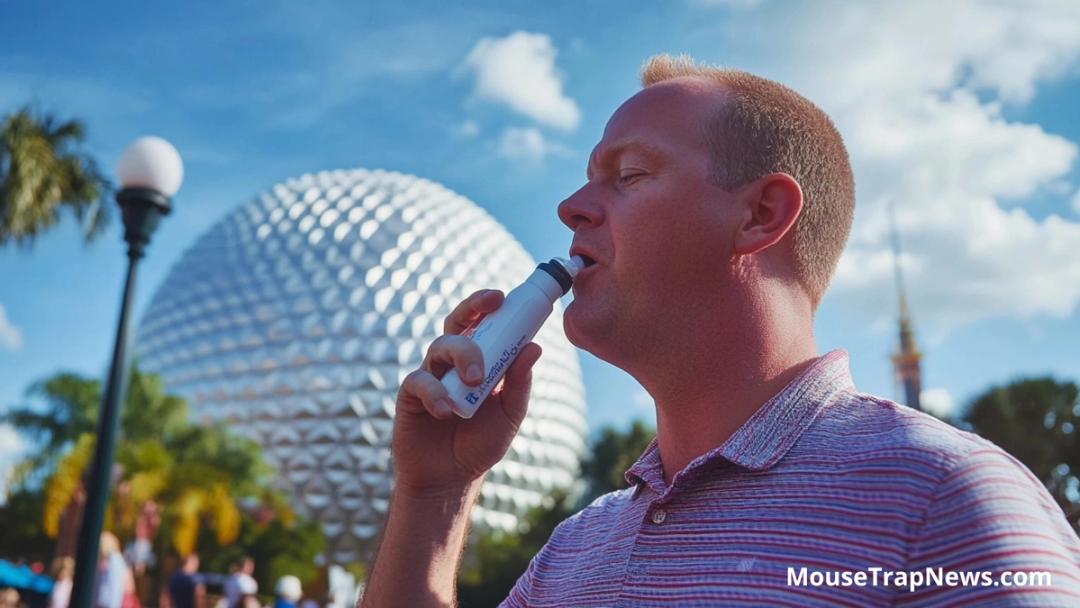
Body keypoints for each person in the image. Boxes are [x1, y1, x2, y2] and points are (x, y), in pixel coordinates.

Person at [360, 54, 1080, 606]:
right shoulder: (573, 552)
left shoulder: (947, 499)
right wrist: (434, 495)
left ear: (761, 215)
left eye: (629, 174)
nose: (571, 206)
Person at [94, 533, 128, 608]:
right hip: (100, 603)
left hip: (108, 604)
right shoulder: (105, 558)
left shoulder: (115, 559)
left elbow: (115, 585)